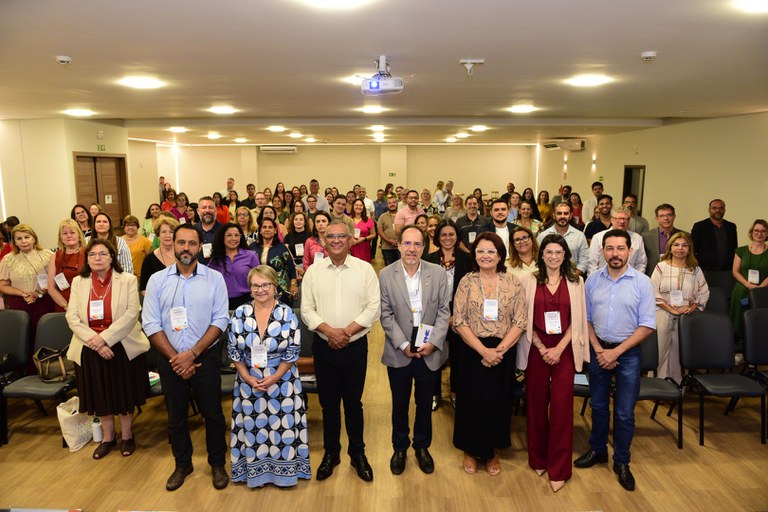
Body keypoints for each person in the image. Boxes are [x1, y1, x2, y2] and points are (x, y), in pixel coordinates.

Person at [142, 224, 230, 491]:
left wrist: (192, 354)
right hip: (170, 361)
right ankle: (182, 465)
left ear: (200, 246)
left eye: (192, 243)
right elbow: (150, 323)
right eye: (181, 242)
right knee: (176, 417)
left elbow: (220, 320)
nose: (186, 248)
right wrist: (177, 358)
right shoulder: (157, 280)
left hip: (205, 358)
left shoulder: (214, 279)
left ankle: (217, 464)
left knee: (213, 415)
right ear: (173, 244)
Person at [575, 229, 655, 492]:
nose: (615, 254)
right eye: (609, 248)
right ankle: (598, 450)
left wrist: (615, 352)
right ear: (602, 251)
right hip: (599, 351)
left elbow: (647, 325)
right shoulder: (592, 280)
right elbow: (586, 319)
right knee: (598, 406)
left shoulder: (642, 282)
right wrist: (600, 349)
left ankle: (622, 461)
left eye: (620, 248)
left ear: (630, 251)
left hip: (628, 354)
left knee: (624, 412)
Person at [301, 221, 381, 482]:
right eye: (330, 236)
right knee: (328, 404)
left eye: (341, 236)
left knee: (354, 403)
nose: (336, 240)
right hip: (324, 347)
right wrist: (330, 332)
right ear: (324, 241)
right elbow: (307, 310)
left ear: (350, 240)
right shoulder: (313, 272)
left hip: (355, 347)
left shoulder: (365, 270)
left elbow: (373, 308)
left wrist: (345, 332)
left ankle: (358, 454)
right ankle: (331, 453)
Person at [65, 239, 150, 459]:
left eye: (103, 254)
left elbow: (132, 313)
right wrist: (94, 340)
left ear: (112, 257)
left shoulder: (127, 279)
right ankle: (108, 437)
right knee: (100, 394)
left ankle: (127, 435)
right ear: (87, 259)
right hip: (88, 346)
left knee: (123, 393)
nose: (97, 258)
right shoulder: (79, 282)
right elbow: (72, 316)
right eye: (92, 254)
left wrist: (105, 339)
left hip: (121, 345)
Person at [227, 265, 311, 488]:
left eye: (265, 284)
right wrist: (247, 377)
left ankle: (285, 474)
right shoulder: (239, 314)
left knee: (282, 428)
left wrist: (274, 377)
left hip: (282, 381)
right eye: (255, 285)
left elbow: (293, 350)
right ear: (250, 288)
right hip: (249, 381)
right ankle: (255, 473)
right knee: (253, 428)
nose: (261, 289)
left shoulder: (287, 314)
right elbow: (233, 351)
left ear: (275, 286)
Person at [452, 232, 526, 476]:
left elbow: (520, 320)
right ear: (474, 255)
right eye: (481, 251)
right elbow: (458, 320)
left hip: (503, 351)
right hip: (472, 349)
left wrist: (499, 350)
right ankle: (470, 450)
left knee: (498, 401)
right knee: (471, 402)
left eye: (491, 251)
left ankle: (492, 451)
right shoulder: (467, 282)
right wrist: (483, 350)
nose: (485, 256)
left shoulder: (513, 282)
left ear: (500, 255)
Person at [519, 234, 589, 493]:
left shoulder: (576, 282)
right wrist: (541, 347)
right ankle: (538, 459)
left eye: (559, 252)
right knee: (536, 406)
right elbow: (523, 318)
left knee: (562, 409)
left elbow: (578, 320)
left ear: (565, 255)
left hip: (565, 350)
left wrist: (558, 349)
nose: (553, 256)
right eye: (549, 252)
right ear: (542, 254)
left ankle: (559, 468)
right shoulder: (528, 280)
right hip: (536, 348)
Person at [380, 225, 450, 475]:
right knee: (399, 404)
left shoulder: (437, 273)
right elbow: (385, 314)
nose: (412, 249)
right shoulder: (386, 274)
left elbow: (444, 311)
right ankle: (399, 448)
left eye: (417, 244)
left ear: (424, 247)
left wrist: (434, 342)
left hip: (429, 350)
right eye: (407, 243)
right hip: (399, 351)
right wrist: (403, 344)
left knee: (424, 403)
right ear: (398, 245)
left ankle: (422, 446)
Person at [651, 232, 709, 382]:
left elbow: (703, 292)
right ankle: (657, 386)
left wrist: (692, 307)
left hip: (686, 317)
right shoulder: (661, 267)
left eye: (684, 245)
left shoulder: (695, 269)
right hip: (662, 314)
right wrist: (671, 309)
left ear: (689, 249)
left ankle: (677, 387)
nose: (680, 248)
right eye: (676, 245)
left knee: (679, 353)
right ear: (670, 247)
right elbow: (652, 291)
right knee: (659, 352)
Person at [425, 220, 471, 410]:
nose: (447, 238)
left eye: (451, 234)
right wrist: (441, 316)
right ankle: (434, 393)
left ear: (457, 236)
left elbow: (471, 291)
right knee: (434, 356)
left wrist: (456, 316)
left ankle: (455, 392)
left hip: (460, 315)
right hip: (434, 315)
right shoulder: (428, 259)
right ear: (437, 237)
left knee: (458, 357)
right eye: (443, 234)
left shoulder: (468, 259)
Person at [0, 224, 55, 364]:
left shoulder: (48, 255)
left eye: (27, 237)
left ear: (34, 238)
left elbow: (54, 280)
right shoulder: (8, 259)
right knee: (23, 339)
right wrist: (21, 293)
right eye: (19, 238)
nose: (24, 241)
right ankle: (24, 370)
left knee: (44, 337)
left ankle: (47, 368)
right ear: (14, 241)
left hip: (44, 303)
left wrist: (38, 293)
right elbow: (3, 285)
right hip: (19, 305)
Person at [207, 223, 260, 310]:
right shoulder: (215, 259)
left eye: (236, 235)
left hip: (248, 301)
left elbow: (259, 279)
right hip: (223, 303)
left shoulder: (251, 255)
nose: (233, 238)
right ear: (222, 237)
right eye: (229, 235)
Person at [730, 219, 768, 336]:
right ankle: (737, 335)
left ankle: (758, 338)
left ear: (767, 233)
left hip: (764, 288)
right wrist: (748, 285)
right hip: (742, 286)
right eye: (756, 230)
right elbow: (735, 271)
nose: (759, 233)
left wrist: (760, 287)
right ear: (751, 232)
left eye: (763, 231)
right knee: (740, 296)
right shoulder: (741, 251)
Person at [250, 218, 298, 304]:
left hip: (279, 289)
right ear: (260, 230)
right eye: (264, 227)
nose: (267, 229)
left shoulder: (281, 247)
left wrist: (293, 285)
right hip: (258, 288)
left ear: (275, 231)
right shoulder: (252, 247)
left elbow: (291, 268)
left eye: (270, 227)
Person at [587, 207, 647, 275]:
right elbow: (592, 264)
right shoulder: (598, 238)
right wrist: (596, 279)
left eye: (625, 219)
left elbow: (641, 263)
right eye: (618, 219)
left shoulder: (637, 239)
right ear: (611, 220)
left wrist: (636, 279)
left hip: (630, 279)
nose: (622, 221)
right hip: (603, 278)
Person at [537, 203, 589, 276]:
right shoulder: (543, 236)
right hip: (547, 278)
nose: (562, 216)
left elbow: (584, 260)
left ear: (571, 216)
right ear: (554, 215)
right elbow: (538, 259)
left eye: (566, 213)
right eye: (559, 213)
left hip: (573, 277)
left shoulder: (579, 236)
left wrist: (572, 277)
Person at [47, 219, 87, 312]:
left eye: (72, 232)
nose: (69, 236)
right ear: (61, 238)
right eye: (64, 233)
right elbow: (51, 288)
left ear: (79, 235)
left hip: (85, 304)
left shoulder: (88, 253)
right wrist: (66, 306)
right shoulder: (55, 256)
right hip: (63, 306)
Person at [690, 199, 738, 272]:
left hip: (727, 270)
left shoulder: (731, 226)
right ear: (709, 210)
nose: (718, 210)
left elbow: (734, 248)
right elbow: (692, 248)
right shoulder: (699, 226)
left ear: (724, 210)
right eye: (714, 208)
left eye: (721, 208)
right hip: (705, 270)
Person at [642, 203, 686, 277]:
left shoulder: (684, 236)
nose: (666, 218)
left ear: (674, 217)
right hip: (652, 276)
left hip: (677, 276)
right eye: (662, 216)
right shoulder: (646, 236)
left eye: (669, 215)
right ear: (657, 218)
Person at [139, 217, 179, 294]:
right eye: (163, 232)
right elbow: (144, 288)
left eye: (171, 232)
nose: (167, 235)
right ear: (158, 235)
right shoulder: (149, 260)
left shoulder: (183, 255)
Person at [121, 215, 152, 280]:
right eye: (127, 225)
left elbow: (151, 260)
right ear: (124, 227)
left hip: (139, 277)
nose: (130, 227)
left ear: (137, 227)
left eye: (133, 225)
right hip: (122, 277)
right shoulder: (118, 241)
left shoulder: (145, 241)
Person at [284, 212, 311, 280]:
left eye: (301, 219)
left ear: (305, 222)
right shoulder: (288, 236)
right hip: (293, 265)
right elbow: (286, 252)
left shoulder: (310, 235)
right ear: (293, 222)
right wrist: (294, 266)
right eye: (296, 219)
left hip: (308, 265)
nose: (298, 221)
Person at [195, 196, 223, 262]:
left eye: (210, 207)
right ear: (198, 211)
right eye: (204, 208)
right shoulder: (191, 231)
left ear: (216, 210)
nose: (207, 211)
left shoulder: (224, 231)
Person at [349, 198, 375, 263]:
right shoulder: (348, 219)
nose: (358, 207)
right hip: (350, 248)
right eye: (356, 205)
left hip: (364, 249)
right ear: (353, 207)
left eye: (360, 205)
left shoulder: (368, 220)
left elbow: (373, 234)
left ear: (363, 207)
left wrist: (364, 238)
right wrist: (351, 239)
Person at [378, 196, 400, 266]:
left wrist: (400, 241)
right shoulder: (382, 217)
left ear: (397, 204)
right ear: (387, 205)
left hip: (401, 246)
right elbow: (380, 231)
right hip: (387, 247)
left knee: (401, 267)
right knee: (389, 268)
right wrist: (389, 241)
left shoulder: (402, 215)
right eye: (389, 203)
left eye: (394, 202)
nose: (392, 204)